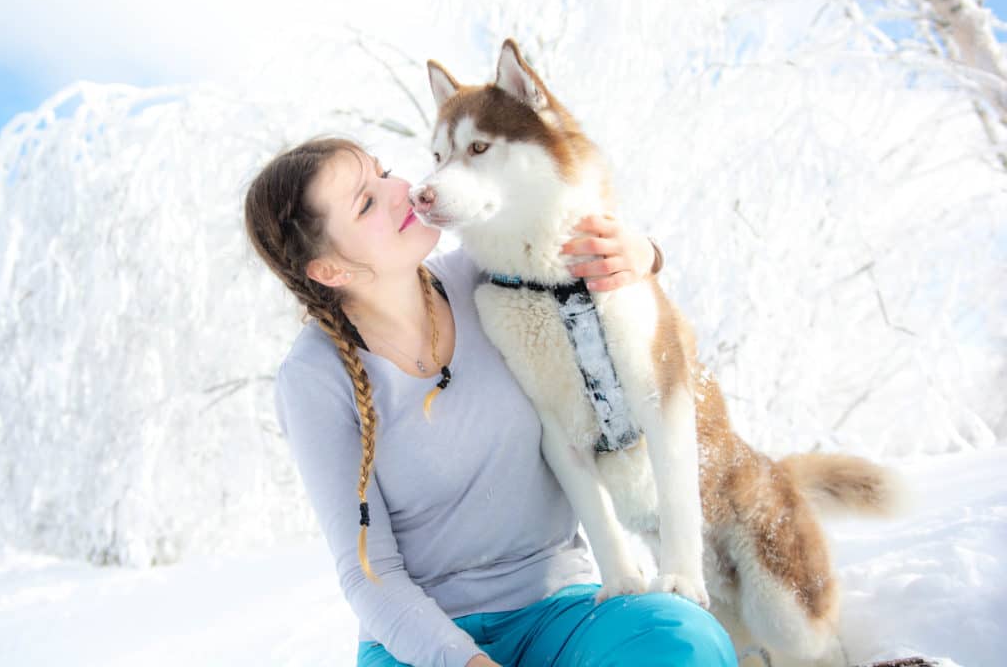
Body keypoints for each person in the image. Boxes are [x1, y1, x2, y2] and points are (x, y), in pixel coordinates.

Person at [244, 137, 737, 667]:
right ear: (330, 270)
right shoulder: (315, 378)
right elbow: (369, 571)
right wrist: (465, 660)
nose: (401, 191)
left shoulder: (490, 271)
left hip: (556, 611)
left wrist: (643, 253)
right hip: (420, 645)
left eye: (385, 173)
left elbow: (583, 237)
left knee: (684, 638)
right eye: (366, 203)